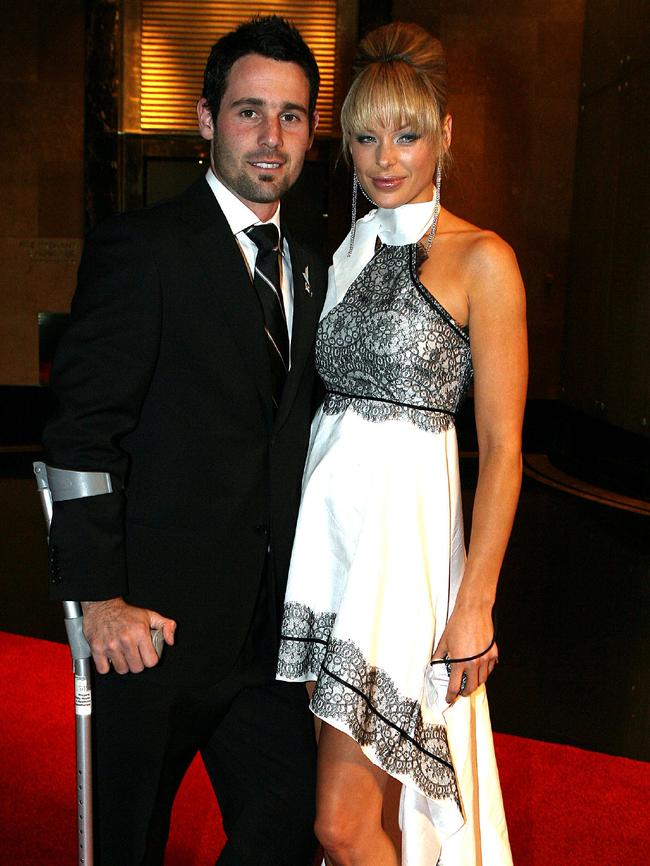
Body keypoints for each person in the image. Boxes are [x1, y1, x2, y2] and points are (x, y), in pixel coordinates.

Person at [43, 15, 327, 866]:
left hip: (266, 644)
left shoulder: (311, 267)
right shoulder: (143, 250)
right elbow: (79, 438)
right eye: (248, 111)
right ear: (206, 120)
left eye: (291, 114)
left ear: (313, 129)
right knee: (128, 846)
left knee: (290, 827)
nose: (270, 137)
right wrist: (99, 601)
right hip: (151, 635)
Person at [277, 21, 527, 866]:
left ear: (445, 135)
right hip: (331, 556)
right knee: (362, 819)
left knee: (338, 826)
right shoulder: (346, 250)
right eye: (365, 136)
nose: (386, 157)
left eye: (409, 133)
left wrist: (476, 603)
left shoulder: (484, 261)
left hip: (406, 565)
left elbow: (502, 448)